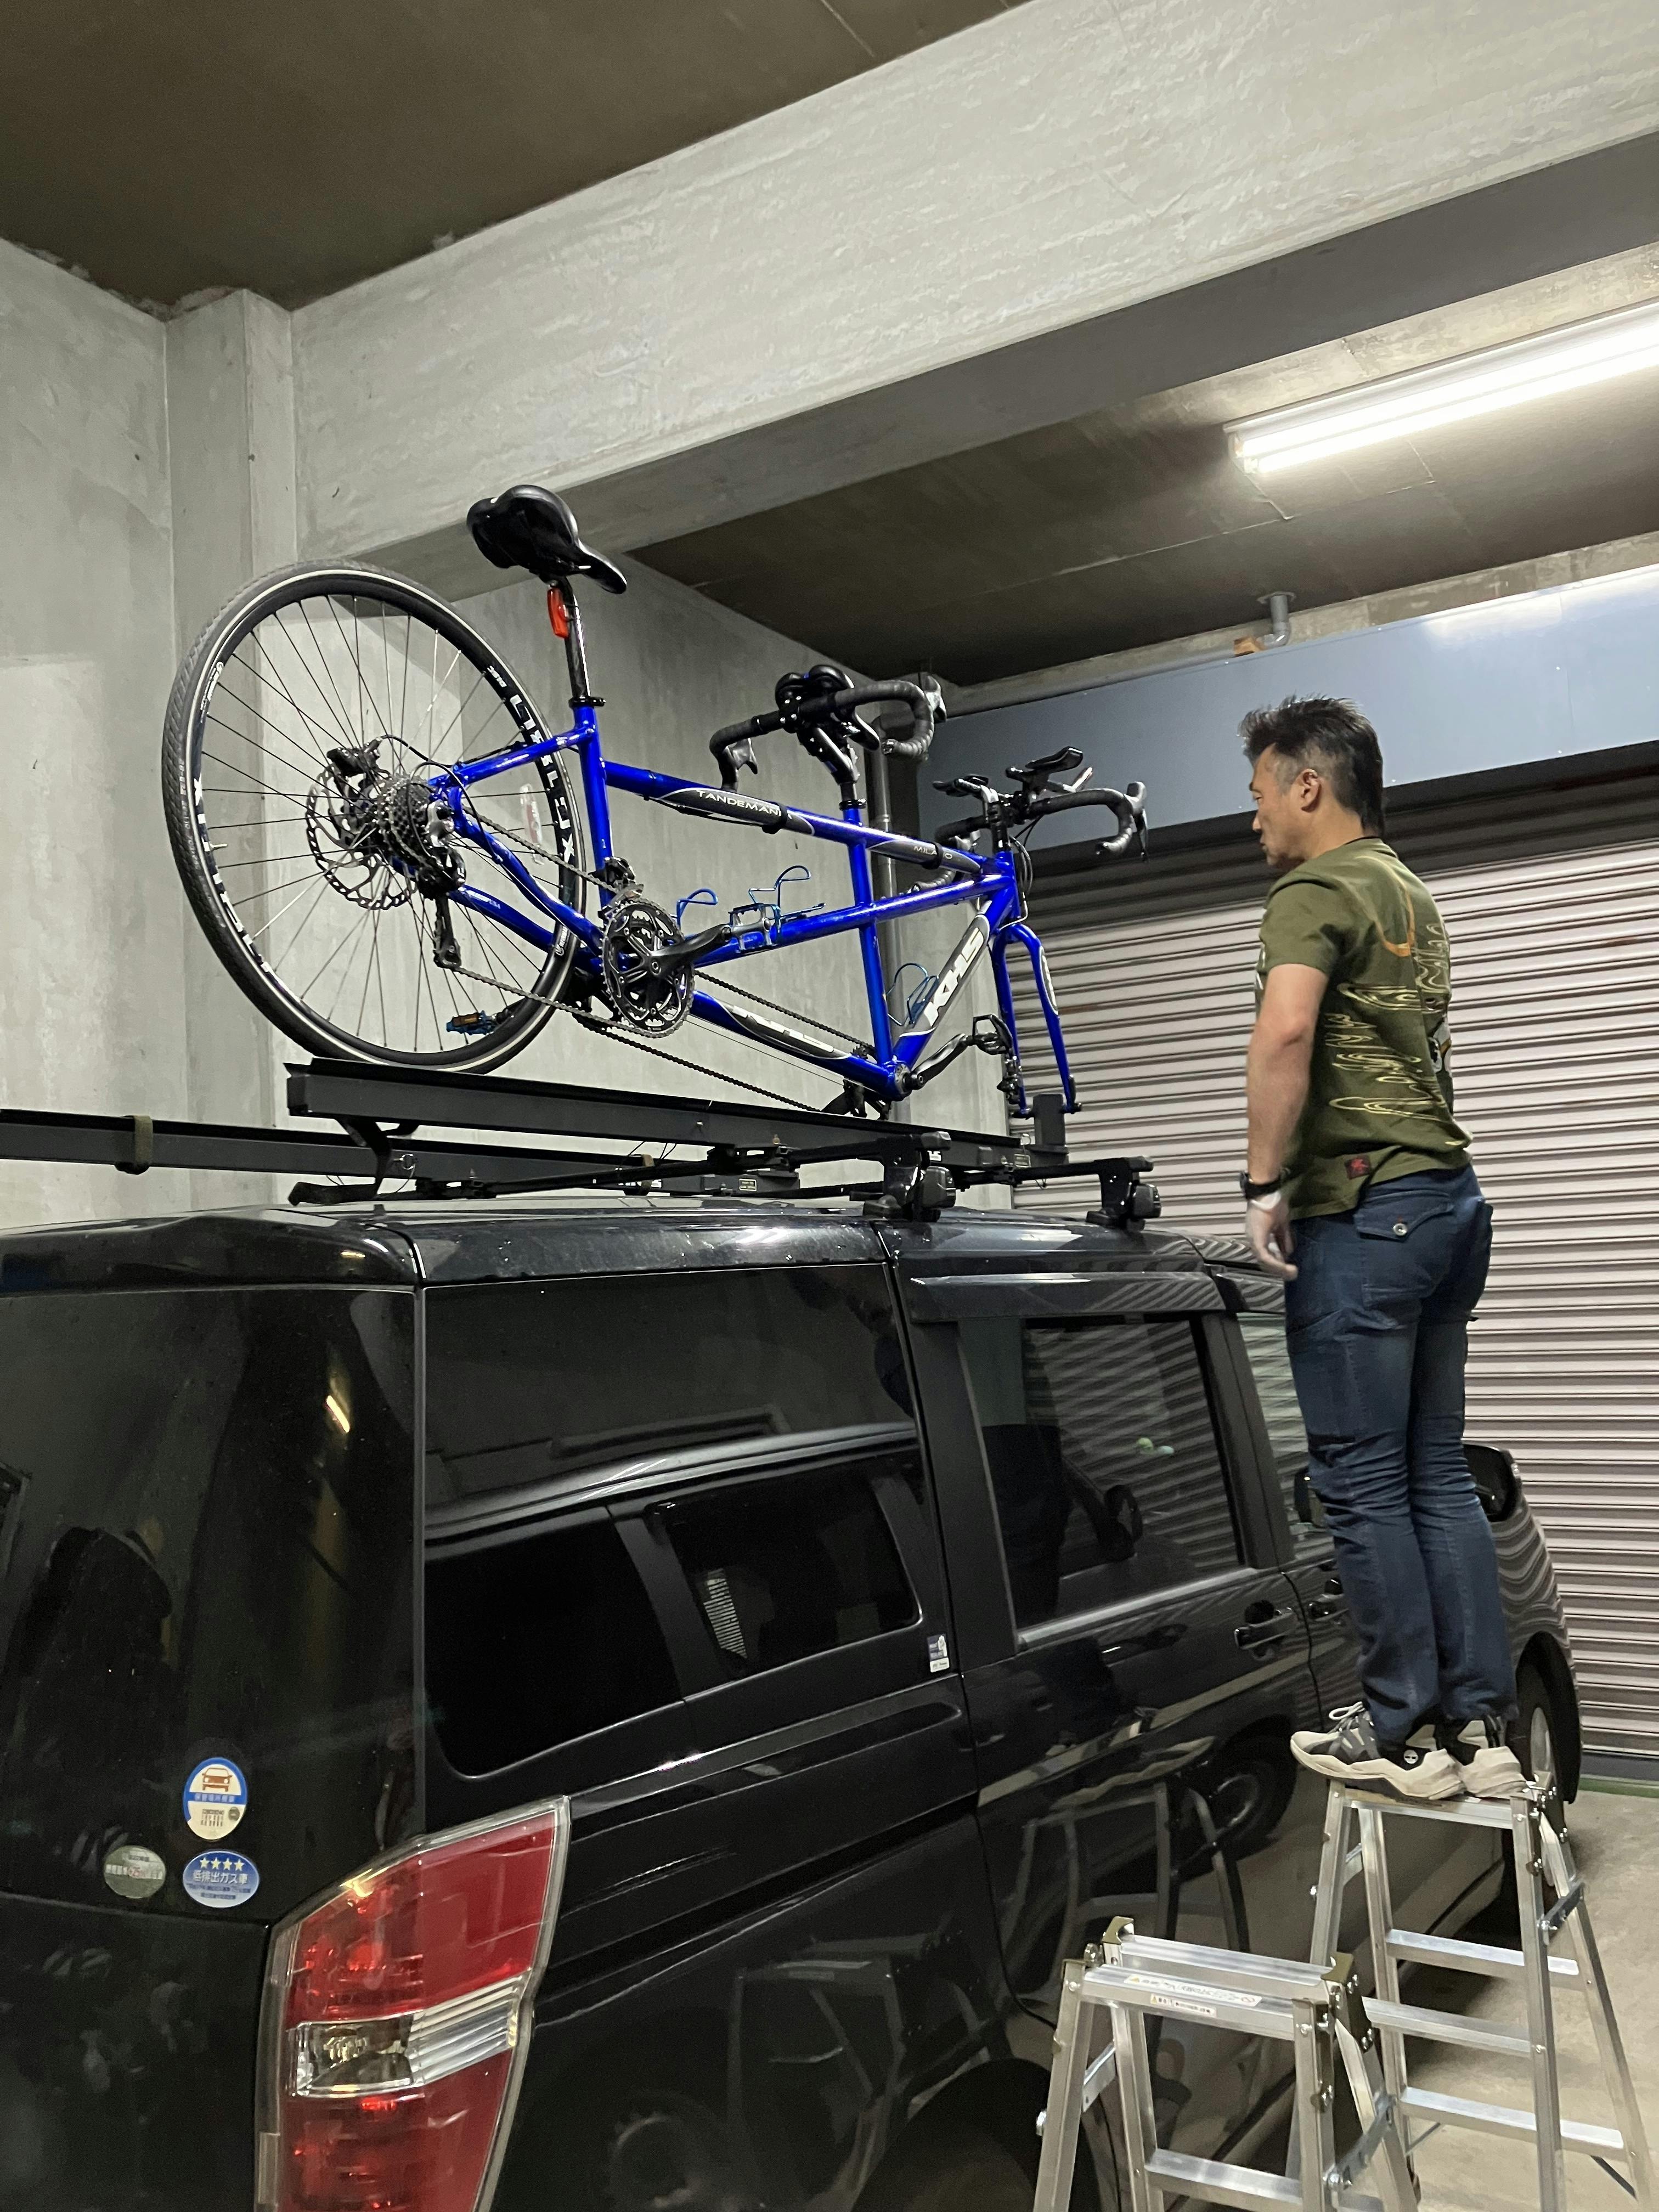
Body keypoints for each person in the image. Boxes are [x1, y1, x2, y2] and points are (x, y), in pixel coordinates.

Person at [1240, 696, 1523, 1803]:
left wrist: (1263, 1184)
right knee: (1434, 1470)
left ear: (1308, 785)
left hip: (1367, 1210)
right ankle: (1479, 1725)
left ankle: (1401, 1734)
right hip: (1450, 1205)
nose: (1255, 817)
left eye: (1260, 792)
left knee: (1359, 1482)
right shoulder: (1411, 892)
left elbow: (1287, 1030)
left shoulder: (1313, 890)